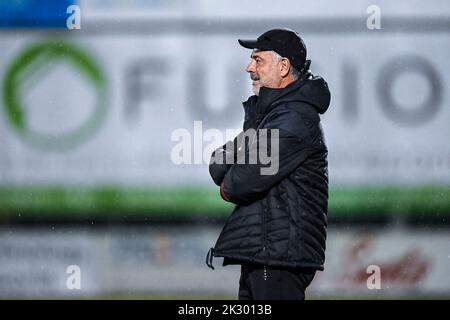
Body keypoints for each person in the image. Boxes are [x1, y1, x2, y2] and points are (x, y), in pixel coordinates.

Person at [206, 28, 331, 300]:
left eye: (258, 60)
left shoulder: (294, 118)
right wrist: (244, 154)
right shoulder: (274, 116)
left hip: (278, 257)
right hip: (267, 253)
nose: (248, 67)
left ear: (283, 66)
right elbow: (217, 163)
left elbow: (237, 183)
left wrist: (234, 173)